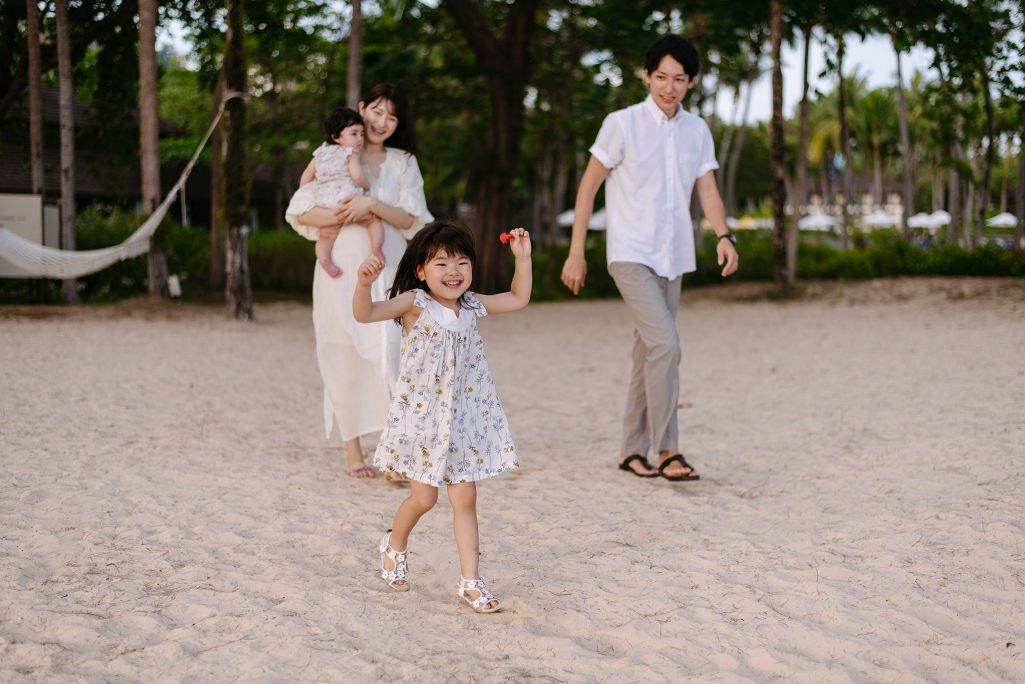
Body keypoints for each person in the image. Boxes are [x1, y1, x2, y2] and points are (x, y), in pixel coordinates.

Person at [560, 35, 740, 482]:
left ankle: (629, 450)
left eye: (679, 79)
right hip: (630, 252)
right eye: (661, 77)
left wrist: (724, 235)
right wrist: (576, 251)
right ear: (646, 76)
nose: (669, 87)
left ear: (692, 82)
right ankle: (669, 450)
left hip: (673, 255)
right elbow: (588, 187)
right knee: (666, 345)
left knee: (649, 352)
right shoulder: (621, 124)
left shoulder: (697, 130)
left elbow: (708, 189)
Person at [352, 222, 532, 613]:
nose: (454, 272)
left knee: (466, 496)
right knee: (424, 498)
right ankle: (393, 544)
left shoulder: (471, 305)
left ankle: (471, 581)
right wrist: (363, 284)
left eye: (462, 263)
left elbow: (518, 298)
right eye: (442, 263)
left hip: (464, 417)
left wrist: (523, 258)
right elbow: (365, 314)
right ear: (421, 270)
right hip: (424, 419)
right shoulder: (416, 302)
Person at [285, 83, 433, 480]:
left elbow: (412, 219)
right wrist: (343, 214)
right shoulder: (332, 155)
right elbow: (300, 210)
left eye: (392, 116)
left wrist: (372, 206)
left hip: (390, 267)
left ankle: (397, 450)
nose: (382, 122)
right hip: (339, 270)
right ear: (361, 108)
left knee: (393, 353)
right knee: (342, 350)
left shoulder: (403, 162)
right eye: (377, 112)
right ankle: (353, 449)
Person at [300, 107, 385, 278]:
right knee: (373, 222)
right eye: (354, 134)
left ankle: (324, 259)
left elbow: (307, 174)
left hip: (324, 202)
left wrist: (305, 193)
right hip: (347, 199)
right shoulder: (349, 152)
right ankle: (376, 249)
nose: (360, 139)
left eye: (362, 134)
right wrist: (367, 185)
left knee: (326, 235)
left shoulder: (319, 153)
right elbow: (357, 175)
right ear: (336, 137)